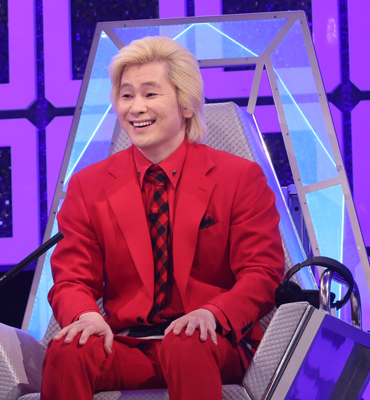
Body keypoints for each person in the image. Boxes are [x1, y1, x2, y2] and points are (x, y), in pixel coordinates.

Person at [41, 36, 284, 400]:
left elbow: (262, 272)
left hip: (210, 341)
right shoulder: (88, 186)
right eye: (126, 95)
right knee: (69, 350)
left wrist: (213, 313)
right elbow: (72, 278)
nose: (136, 107)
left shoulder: (238, 177)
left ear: (186, 103)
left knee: (185, 343)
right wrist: (86, 316)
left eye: (150, 94)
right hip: (128, 344)